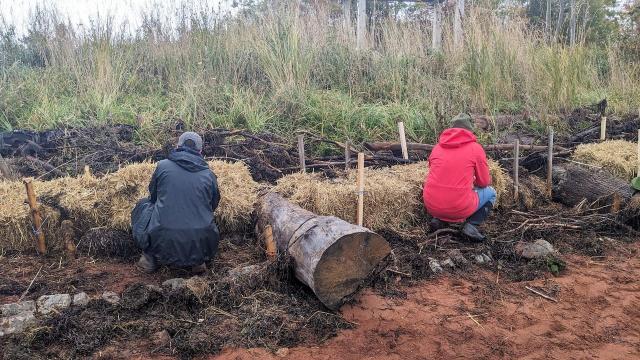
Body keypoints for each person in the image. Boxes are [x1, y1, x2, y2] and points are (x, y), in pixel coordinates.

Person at [131, 132, 220, 273]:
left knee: (143, 205)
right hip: (200, 242)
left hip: (163, 238)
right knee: (205, 216)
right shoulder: (209, 175)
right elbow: (213, 205)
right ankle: (198, 263)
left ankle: (149, 259)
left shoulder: (162, 166)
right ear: (200, 151)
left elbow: (153, 196)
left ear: (178, 146)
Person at [422, 114, 496, 240]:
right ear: (469, 130)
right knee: (491, 192)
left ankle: (439, 220)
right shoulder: (475, 149)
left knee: (444, 192)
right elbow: (484, 182)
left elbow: (437, 173)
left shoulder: (437, 148)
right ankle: (471, 226)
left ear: (451, 129)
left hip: (431, 205)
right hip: (459, 207)